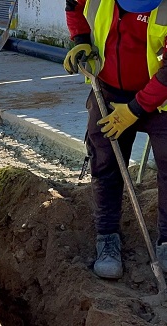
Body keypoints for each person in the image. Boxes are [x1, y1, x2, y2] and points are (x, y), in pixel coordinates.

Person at [65, 0, 167, 279]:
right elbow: (73, 6)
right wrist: (80, 39)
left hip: (160, 96)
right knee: (106, 164)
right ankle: (107, 237)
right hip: (108, 90)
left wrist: (135, 110)